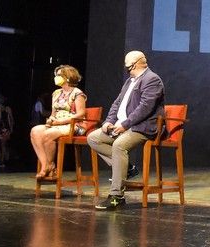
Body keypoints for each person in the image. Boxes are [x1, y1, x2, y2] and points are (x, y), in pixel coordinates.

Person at [87, 51, 165, 211]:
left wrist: (125, 124)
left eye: (128, 67)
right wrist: (109, 121)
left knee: (119, 146)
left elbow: (145, 108)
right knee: (93, 138)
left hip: (142, 127)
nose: (127, 70)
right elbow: (117, 103)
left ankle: (116, 196)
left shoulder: (152, 79)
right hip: (123, 125)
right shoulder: (130, 81)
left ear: (134, 64)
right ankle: (128, 168)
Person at [28, 66, 87, 179]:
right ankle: (47, 165)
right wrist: (51, 119)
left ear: (68, 77)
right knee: (35, 131)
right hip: (57, 124)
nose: (56, 77)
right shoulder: (56, 93)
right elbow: (54, 113)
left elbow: (80, 114)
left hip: (74, 125)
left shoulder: (77, 93)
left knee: (48, 134)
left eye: (59, 75)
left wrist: (61, 122)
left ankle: (47, 167)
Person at [0, 94, 15, 168]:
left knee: (3, 145)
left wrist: (11, 129)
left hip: (4, 128)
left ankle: (2, 161)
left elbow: (11, 119)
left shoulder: (6, 108)